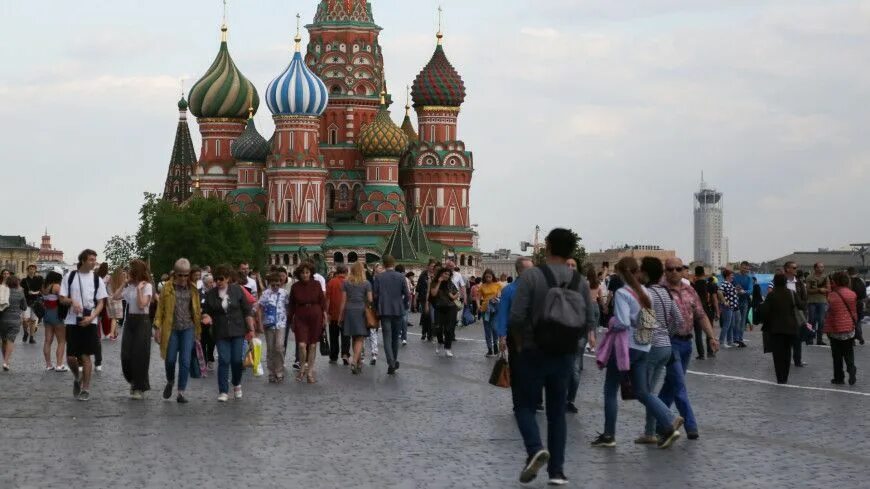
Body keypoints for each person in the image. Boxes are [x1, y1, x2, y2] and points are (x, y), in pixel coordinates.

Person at [509, 229, 595, 486]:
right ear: (571, 250)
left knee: (524, 406)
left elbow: (516, 317)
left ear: (547, 247)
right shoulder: (580, 280)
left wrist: (521, 344)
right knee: (557, 412)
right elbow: (589, 320)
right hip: (565, 354)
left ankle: (535, 448)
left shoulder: (532, 276)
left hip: (533, 351)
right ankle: (557, 472)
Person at [591, 256, 683, 453]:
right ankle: (669, 421)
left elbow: (623, 322)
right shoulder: (645, 294)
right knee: (642, 391)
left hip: (625, 348)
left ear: (623, 273)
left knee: (610, 390)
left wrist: (612, 323)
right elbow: (649, 322)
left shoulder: (624, 293)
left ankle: (609, 435)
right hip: (643, 347)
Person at [660, 257, 720, 439]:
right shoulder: (660, 290)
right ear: (665, 271)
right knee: (678, 384)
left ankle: (655, 423)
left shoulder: (689, 290)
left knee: (670, 386)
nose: (675, 272)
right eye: (670, 269)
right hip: (669, 343)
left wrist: (711, 337)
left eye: (678, 269)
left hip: (687, 343)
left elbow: (701, 315)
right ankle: (691, 426)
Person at [634, 257, 684, 444]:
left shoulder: (647, 294)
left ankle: (669, 419)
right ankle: (649, 433)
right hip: (666, 347)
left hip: (651, 347)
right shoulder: (666, 293)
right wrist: (666, 334)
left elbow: (644, 323)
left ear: (646, 273)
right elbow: (678, 321)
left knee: (642, 392)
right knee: (650, 392)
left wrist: (640, 344)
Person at [59, 249, 109, 401]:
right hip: (72, 320)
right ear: (83, 261)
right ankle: (77, 376)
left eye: (95, 259)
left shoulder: (97, 279)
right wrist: (72, 301)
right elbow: (61, 298)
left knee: (86, 356)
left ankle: (86, 388)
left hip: (90, 320)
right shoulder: (70, 276)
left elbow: (101, 302)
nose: (94, 262)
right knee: (71, 357)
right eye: (91, 259)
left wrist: (92, 316)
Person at [202, 265, 254, 401]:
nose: (218, 282)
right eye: (216, 279)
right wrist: (206, 317)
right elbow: (206, 311)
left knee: (237, 360)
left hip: (238, 330)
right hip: (220, 331)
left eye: (221, 279)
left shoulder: (237, 290)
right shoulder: (211, 294)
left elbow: (247, 310)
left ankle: (236, 383)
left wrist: (251, 329)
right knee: (224, 360)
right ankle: (223, 391)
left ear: (228, 278)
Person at [153, 258, 201, 402]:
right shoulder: (167, 288)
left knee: (185, 361)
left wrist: (199, 328)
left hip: (188, 328)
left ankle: (181, 392)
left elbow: (196, 309)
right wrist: (157, 327)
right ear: (175, 274)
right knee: (170, 360)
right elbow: (160, 309)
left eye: (186, 275)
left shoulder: (193, 289)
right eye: (180, 275)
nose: (183, 278)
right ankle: (170, 380)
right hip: (171, 328)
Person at [106, 259, 154, 400]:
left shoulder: (147, 286)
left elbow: (141, 305)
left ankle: (138, 386)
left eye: (130, 271)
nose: (128, 273)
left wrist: (139, 289)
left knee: (140, 355)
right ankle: (133, 381)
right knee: (126, 355)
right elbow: (115, 297)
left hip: (142, 321)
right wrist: (124, 283)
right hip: (130, 321)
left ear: (136, 272)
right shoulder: (129, 286)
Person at [565, 260, 600, 414]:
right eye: (567, 265)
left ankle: (570, 400)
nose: (570, 268)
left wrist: (591, 333)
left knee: (575, 369)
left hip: (579, 333)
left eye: (573, 265)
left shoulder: (582, 285)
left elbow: (590, 311)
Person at [288, 262, 327, 383]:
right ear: (299, 274)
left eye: (307, 272)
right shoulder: (295, 287)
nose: (305, 275)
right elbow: (291, 305)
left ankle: (310, 371)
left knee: (313, 345)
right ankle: (301, 369)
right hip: (300, 316)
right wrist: (290, 320)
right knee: (302, 345)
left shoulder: (316, 284)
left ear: (310, 273)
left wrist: (325, 315)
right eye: (303, 273)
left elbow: (322, 301)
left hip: (316, 315)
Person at [758, 273, 800, 384]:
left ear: (775, 282)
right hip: (791, 327)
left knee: (777, 354)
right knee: (787, 352)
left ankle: (779, 377)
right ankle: (785, 376)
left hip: (775, 328)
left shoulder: (772, 295)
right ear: (785, 282)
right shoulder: (792, 293)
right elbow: (801, 305)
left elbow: (765, 311)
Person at [373, 255, 410, 375]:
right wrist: (403, 305)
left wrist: (376, 307)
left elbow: (375, 295)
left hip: (384, 311)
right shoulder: (400, 276)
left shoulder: (379, 277)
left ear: (383, 264)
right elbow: (407, 294)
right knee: (395, 338)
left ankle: (391, 362)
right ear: (393, 264)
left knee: (387, 338)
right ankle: (393, 361)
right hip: (398, 310)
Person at [824, 272, 858, 385]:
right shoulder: (852, 294)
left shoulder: (831, 295)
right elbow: (853, 311)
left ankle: (839, 377)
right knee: (849, 351)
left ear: (835, 281)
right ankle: (851, 368)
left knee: (837, 355)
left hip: (835, 328)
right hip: (849, 327)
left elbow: (830, 314)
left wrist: (827, 329)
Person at [339, 262, 374, 374]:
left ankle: (358, 363)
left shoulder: (346, 283)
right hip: (361, 311)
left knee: (354, 337)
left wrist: (340, 316)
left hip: (349, 310)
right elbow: (370, 299)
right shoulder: (366, 283)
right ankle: (354, 361)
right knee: (360, 338)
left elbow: (343, 301)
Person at [258, 272, 288, 383]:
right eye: (273, 285)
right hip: (269, 325)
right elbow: (259, 308)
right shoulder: (266, 294)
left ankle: (279, 371)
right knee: (270, 349)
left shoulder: (285, 293)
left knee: (279, 347)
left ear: (280, 283)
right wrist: (260, 323)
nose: (275, 287)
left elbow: (288, 306)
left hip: (281, 323)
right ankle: (271, 372)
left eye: (277, 284)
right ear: (270, 284)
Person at [41, 271, 68, 371]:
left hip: (46, 314)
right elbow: (63, 299)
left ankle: (48, 365)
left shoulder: (44, 287)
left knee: (48, 340)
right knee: (61, 341)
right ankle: (59, 365)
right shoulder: (56, 286)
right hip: (56, 314)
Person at [430, 266, 459, 357]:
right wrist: (439, 282)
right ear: (441, 273)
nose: (446, 276)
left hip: (450, 308)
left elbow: (457, 293)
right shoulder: (434, 282)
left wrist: (453, 296)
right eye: (445, 273)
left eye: (448, 274)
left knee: (449, 329)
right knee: (438, 327)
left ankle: (448, 348)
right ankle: (440, 342)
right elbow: (433, 293)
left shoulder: (450, 283)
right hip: (439, 307)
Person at [691, 266, 718, 359]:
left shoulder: (693, 286)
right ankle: (710, 351)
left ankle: (701, 354)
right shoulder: (710, 284)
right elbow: (714, 299)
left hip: (696, 311)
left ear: (695, 274)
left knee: (698, 333)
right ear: (704, 274)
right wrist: (717, 311)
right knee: (709, 330)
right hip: (708, 310)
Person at [325, 265, 350, 365]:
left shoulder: (331, 282)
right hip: (346, 314)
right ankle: (345, 354)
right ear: (346, 272)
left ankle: (333, 356)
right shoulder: (348, 282)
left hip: (333, 314)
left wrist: (327, 313)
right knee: (346, 336)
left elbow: (327, 299)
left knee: (333, 336)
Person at [1, 276, 27, 370]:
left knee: (4, 340)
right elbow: (24, 307)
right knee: (10, 340)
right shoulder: (20, 292)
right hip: (15, 320)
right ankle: (6, 362)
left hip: (2, 319)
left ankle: (5, 361)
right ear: (17, 283)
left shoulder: (3, 291)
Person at [805, 262, 831, 346]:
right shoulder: (809, 277)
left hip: (822, 301)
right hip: (811, 301)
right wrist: (819, 290)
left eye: (822, 267)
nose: (821, 268)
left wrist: (825, 291)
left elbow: (829, 288)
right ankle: (809, 338)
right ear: (815, 268)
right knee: (811, 321)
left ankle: (819, 339)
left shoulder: (825, 277)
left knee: (821, 321)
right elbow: (808, 290)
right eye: (819, 267)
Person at [20, 264, 43, 344]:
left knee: (33, 320)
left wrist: (34, 292)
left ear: (35, 270)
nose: (32, 270)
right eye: (30, 269)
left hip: (36, 302)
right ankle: (26, 332)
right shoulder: (24, 280)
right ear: (27, 270)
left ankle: (31, 337)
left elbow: (42, 290)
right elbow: (21, 290)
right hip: (26, 302)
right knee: (25, 319)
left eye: (33, 269)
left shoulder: (39, 279)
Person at [718, 269, 741, 347]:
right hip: (727, 307)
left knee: (731, 325)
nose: (733, 276)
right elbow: (719, 292)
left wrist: (737, 291)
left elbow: (731, 294)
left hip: (732, 307)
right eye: (732, 275)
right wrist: (724, 301)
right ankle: (721, 342)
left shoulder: (729, 284)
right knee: (726, 325)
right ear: (727, 276)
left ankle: (730, 341)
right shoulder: (725, 283)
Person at [733, 261, 754, 345]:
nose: (745, 270)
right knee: (735, 321)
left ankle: (740, 339)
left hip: (744, 301)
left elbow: (750, 290)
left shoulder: (749, 278)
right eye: (744, 268)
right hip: (735, 301)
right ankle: (735, 338)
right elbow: (730, 286)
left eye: (747, 268)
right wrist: (736, 290)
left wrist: (743, 291)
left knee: (742, 322)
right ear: (740, 267)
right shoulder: (734, 276)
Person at [199, 273, 216, 370]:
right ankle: (204, 360)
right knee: (202, 341)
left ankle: (210, 358)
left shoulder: (215, 292)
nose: (212, 283)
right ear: (205, 283)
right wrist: (202, 314)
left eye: (212, 282)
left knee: (212, 341)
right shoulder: (199, 293)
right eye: (210, 282)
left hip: (212, 321)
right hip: (201, 321)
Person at [416, 260, 435, 341]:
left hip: (433, 299)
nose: (432, 268)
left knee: (431, 317)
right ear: (428, 266)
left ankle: (430, 335)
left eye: (434, 267)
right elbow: (418, 287)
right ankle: (424, 332)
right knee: (426, 315)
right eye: (431, 266)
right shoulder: (423, 275)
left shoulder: (435, 275)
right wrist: (415, 300)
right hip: (423, 298)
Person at [105, 268, 126, 340]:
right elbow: (121, 292)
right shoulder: (120, 281)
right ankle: (111, 334)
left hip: (109, 299)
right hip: (117, 300)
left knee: (113, 317)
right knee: (115, 318)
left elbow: (106, 288)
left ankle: (115, 332)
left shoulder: (109, 279)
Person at [848, 267, 866, 345]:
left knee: (851, 321)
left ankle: (853, 339)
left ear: (848, 273)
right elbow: (864, 294)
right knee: (858, 321)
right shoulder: (861, 280)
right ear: (856, 272)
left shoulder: (847, 281)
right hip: (860, 303)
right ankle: (859, 336)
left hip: (851, 303)